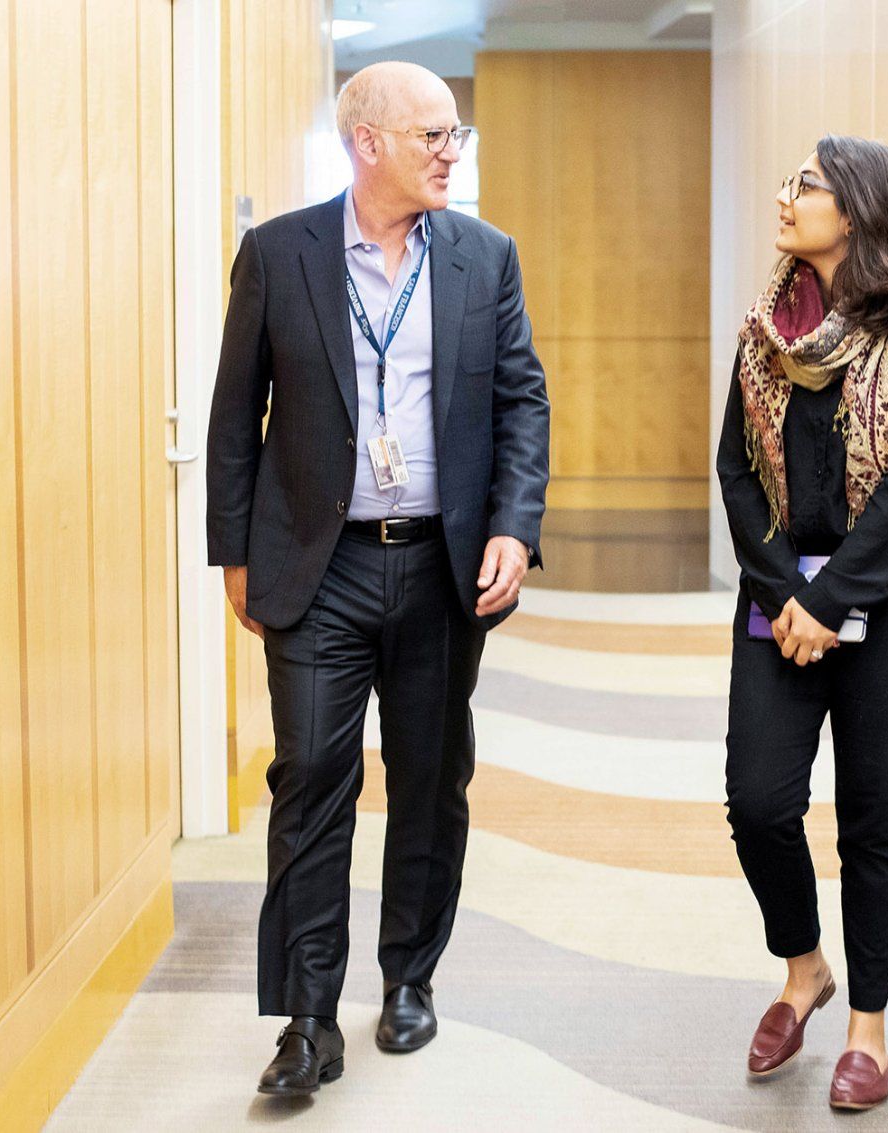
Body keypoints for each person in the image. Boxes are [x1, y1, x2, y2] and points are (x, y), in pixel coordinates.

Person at [205, 61, 550, 1096]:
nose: (451, 152)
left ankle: (409, 977)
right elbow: (235, 416)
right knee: (311, 775)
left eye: (455, 136)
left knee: (429, 776)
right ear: (367, 143)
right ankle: (307, 1016)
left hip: (443, 567)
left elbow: (520, 402)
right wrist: (235, 554)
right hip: (321, 564)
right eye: (432, 135)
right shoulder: (280, 255)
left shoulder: (485, 257)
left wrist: (515, 527)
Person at [717, 134, 888, 1112]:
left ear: (858, 209)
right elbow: (736, 467)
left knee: (872, 814)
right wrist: (783, 589)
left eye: (807, 184)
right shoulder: (768, 330)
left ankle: (868, 1026)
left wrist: (831, 602)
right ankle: (804, 967)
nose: (785, 196)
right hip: (780, 595)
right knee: (758, 802)